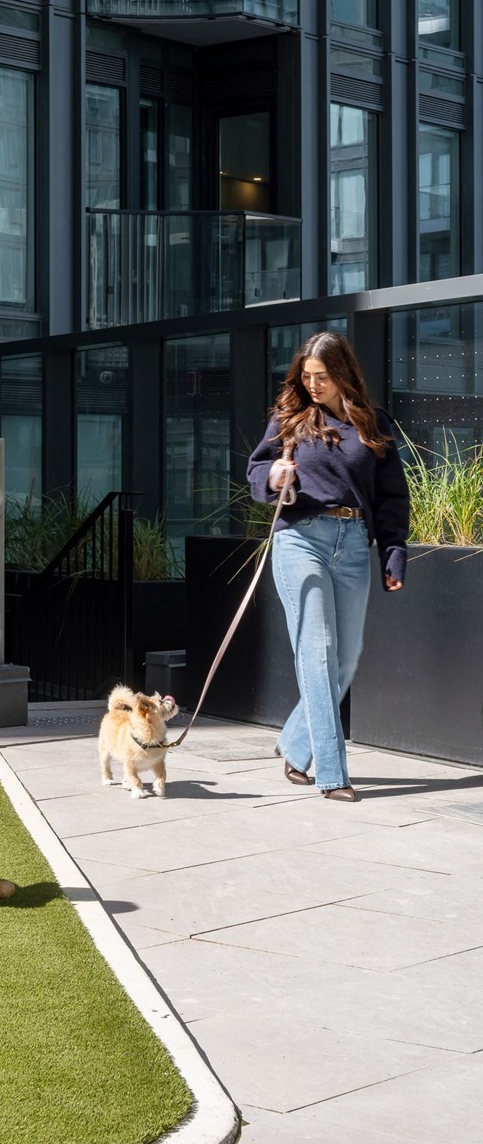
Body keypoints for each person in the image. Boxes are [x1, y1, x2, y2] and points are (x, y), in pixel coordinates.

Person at [247, 331, 409, 802]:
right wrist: (274, 476)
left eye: (322, 377)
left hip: (354, 542)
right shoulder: (290, 419)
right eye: (306, 377)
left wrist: (393, 553)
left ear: (343, 374)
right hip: (300, 540)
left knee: (346, 657)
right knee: (317, 651)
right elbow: (258, 471)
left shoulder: (373, 423)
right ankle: (332, 774)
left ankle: (296, 746)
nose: (313, 385)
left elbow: (393, 498)